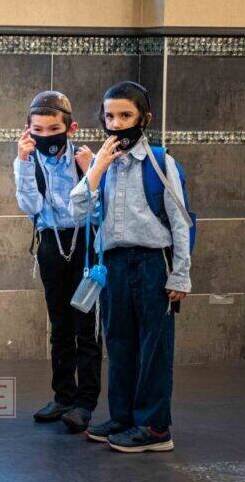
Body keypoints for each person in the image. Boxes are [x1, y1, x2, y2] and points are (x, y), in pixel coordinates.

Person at [69, 81, 192, 452]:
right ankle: (123, 417)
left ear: (144, 118)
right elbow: (78, 212)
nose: (117, 123)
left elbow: (181, 220)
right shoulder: (105, 166)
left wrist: (181, 274)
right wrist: (96, 169)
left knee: (153, 346)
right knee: (119, 343)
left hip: (153, 262)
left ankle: (155, 428)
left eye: (126, 115)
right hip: (114, 263)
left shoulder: (161, 162)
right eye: (110, 116)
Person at [13, 90, 102, 433]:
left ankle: (85, 402)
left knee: (86, 325)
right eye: (38, 130)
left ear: (70, 128)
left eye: (54, 129)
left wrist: (91, 172)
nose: (46, 136)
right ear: (28, 129)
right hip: (51, 244)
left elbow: (99, 211)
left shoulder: (85, 159)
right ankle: (63, 396)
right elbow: (30, 207)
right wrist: (23, 163)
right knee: (60, 324)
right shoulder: (28, 161)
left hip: (84, 243)